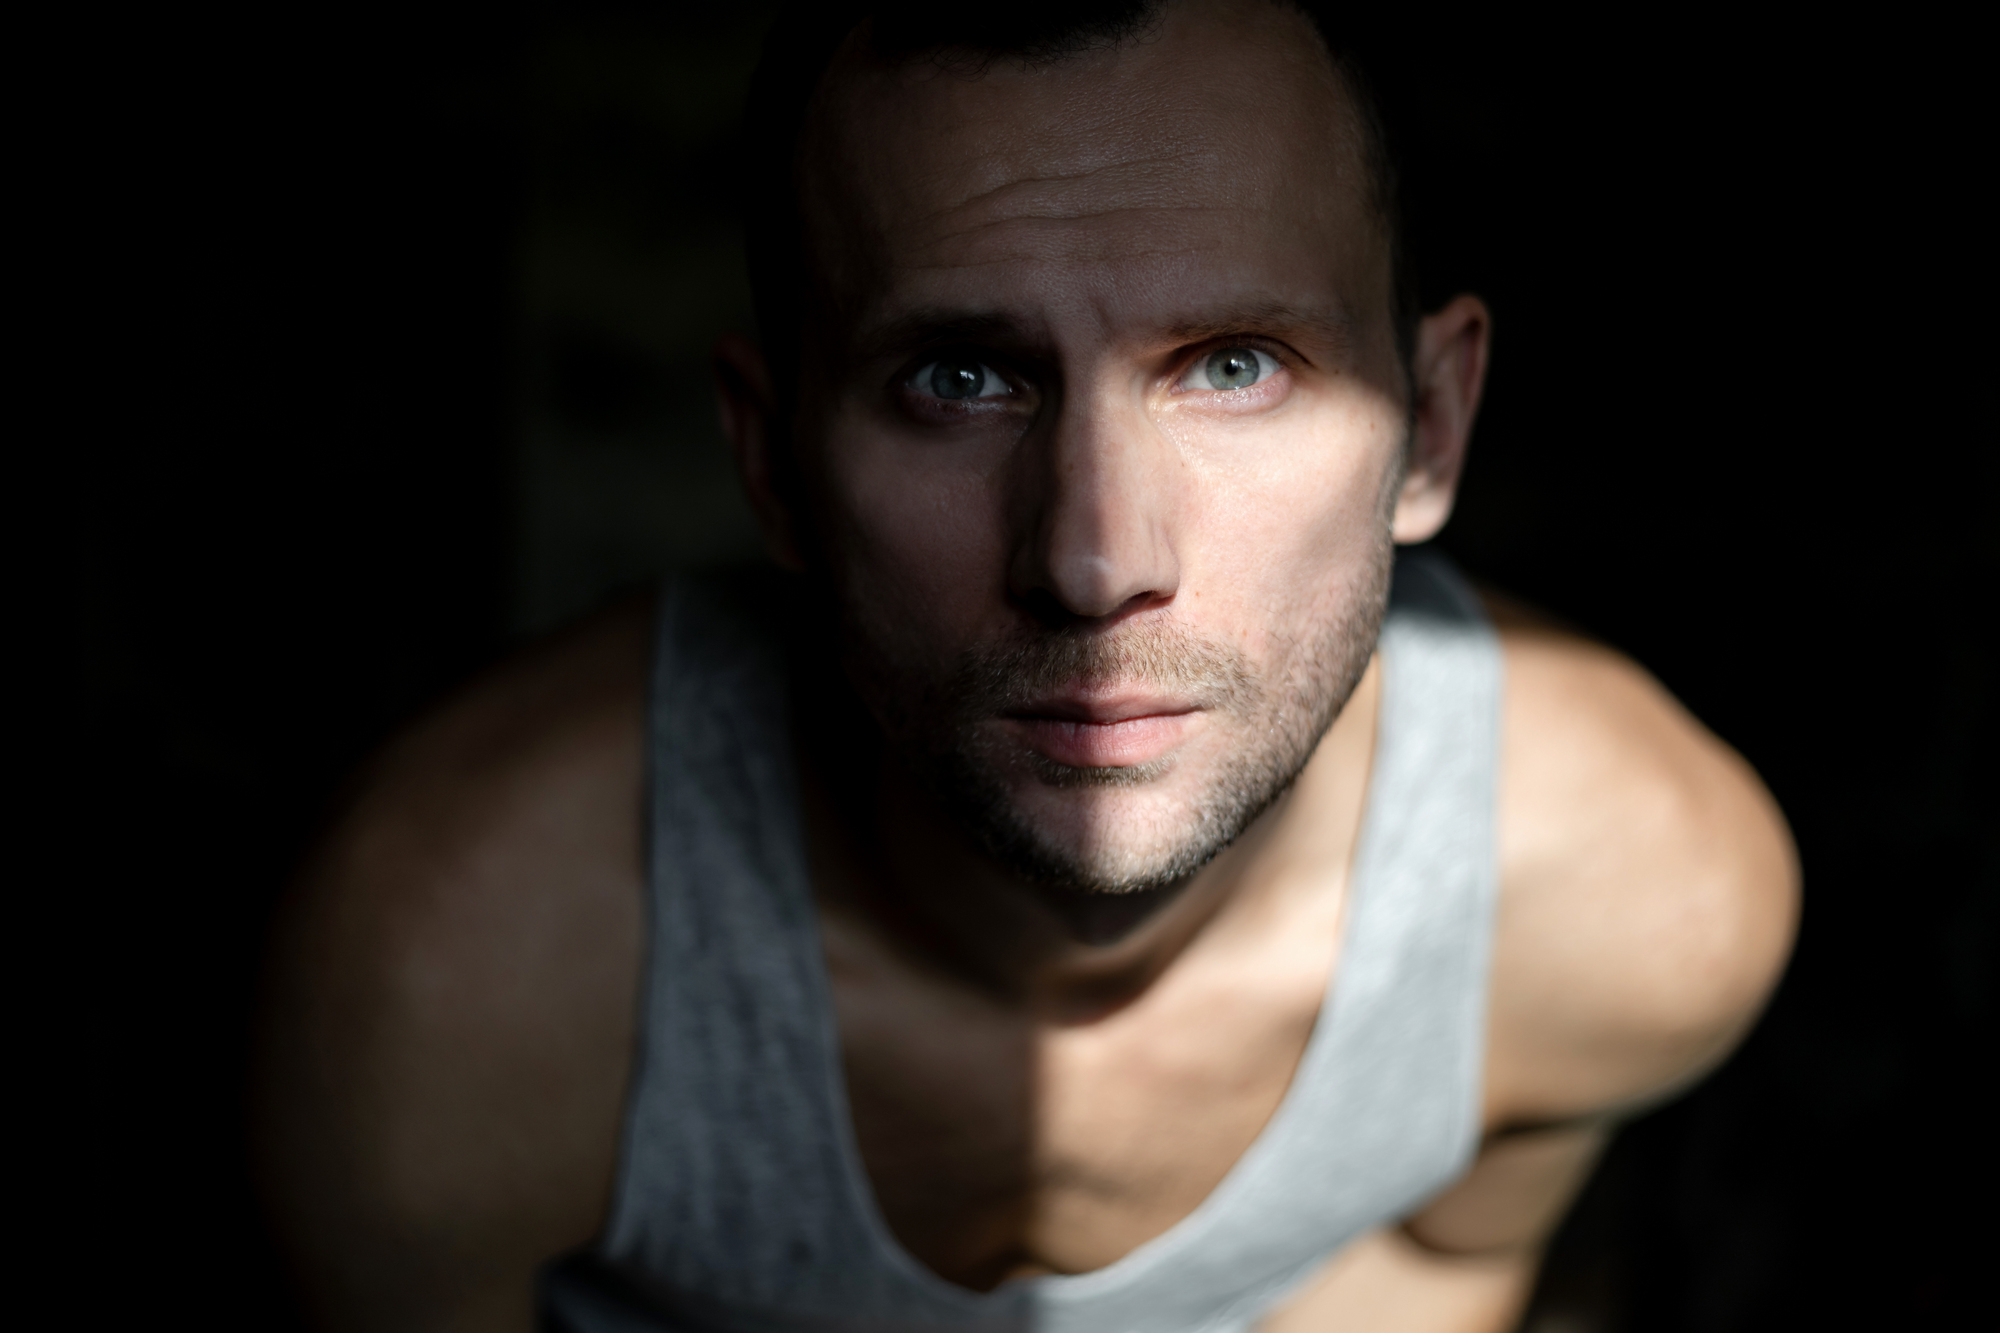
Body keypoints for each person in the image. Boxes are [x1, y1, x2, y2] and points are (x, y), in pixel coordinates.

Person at [255, 3, 1799, 1329]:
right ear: (772, 461)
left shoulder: (1618, 894)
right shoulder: (456, 979)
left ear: (1435, 427)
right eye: (962, 376)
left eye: (1237, 366)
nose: (1093, 557)